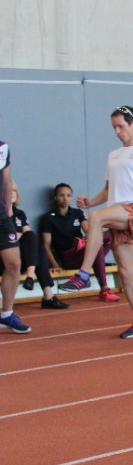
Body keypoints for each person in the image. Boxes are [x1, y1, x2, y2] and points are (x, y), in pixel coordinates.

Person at [58, 106, 133, 339]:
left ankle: (82, 275)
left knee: (97, 218)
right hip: (118, 214)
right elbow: (109, 190)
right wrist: (90, 202)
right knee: (125, 272)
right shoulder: (113, 155)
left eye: (121, 126)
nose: (117, 131)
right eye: (114, 127)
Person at [41, 182, 119, 304]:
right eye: (61, 195)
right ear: (55, 197)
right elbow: (46, 245)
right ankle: (104, 290)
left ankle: (95, 279)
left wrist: (90, 236)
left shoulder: (77, 213)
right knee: (96, 245)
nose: (65, 198)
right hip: (68, 257)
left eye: (68, 195)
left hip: (84, 252)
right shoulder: (48, 218)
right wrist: (55, 265)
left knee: (111, 233)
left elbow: (89, 230)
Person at [0, 181, 70, 310]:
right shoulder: (1, 216)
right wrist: (16, 236)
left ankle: (32, 277)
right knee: (37, 247)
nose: (12, 193)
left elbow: (27, 235)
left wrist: (18, 235)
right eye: (8, 190)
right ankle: (45, 293)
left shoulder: (19, 214)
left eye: (14, 190)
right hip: (4, 260)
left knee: (34, 240)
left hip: (21, 259)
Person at [0, 141, 31, 333]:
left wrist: (8, 211)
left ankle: (6, 314)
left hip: (2, 218)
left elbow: (7, 180)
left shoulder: (3, 147)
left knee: (13, 263)